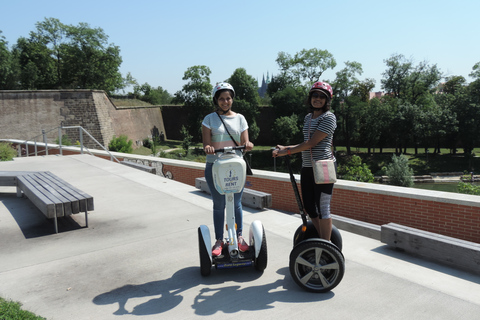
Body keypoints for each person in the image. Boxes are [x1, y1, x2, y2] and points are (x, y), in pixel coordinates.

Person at [272, 81, 337, 241]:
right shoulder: (308, 117)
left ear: (327, 100)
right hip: (307, 166)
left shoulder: (329, 117)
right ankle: (322, 237)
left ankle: (326, 244)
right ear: (310, 98)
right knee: (309, 206)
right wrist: (286, 146)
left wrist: (285, 152)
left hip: (324, 167)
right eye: (315, 95)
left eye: (322, 97)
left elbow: (311, 143)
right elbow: (306, 143)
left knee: (323, 208)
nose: (318, 99)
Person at [202, 82, 254, 256]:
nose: (225, 102)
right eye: (222, 99)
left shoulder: (240, 118)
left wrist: (248, 144)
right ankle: (219, 239)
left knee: (237, 203)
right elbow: (206, 143)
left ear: (232, 99)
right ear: (216, 100)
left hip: (235, 165)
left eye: (228, 98)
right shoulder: (209, 119)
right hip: (215, 166)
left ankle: (239, 237)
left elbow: (244, 142)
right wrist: (208, 147)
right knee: (219, 204)